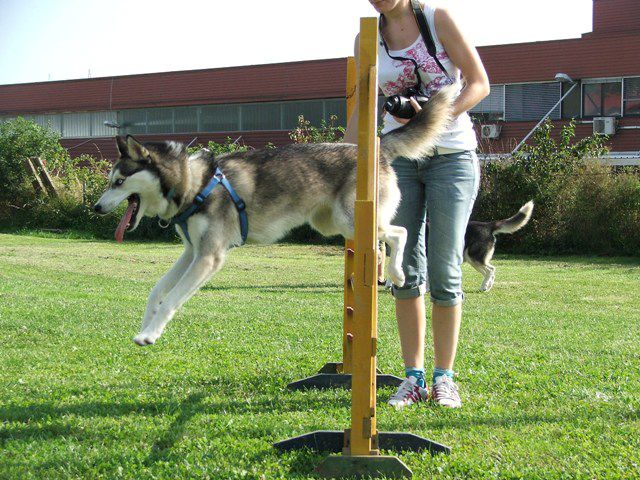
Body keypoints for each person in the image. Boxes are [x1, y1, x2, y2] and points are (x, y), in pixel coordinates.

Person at [344, 0, 489, 409]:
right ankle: (413, 377)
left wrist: (433, 115)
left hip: (452, 158)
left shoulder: (438, 19)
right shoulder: (367, 38)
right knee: (404, 270)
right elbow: (367, 106)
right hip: (400, 160)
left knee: (445, 269)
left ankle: (445, 378)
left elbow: (479, 83)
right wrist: (339, 158)